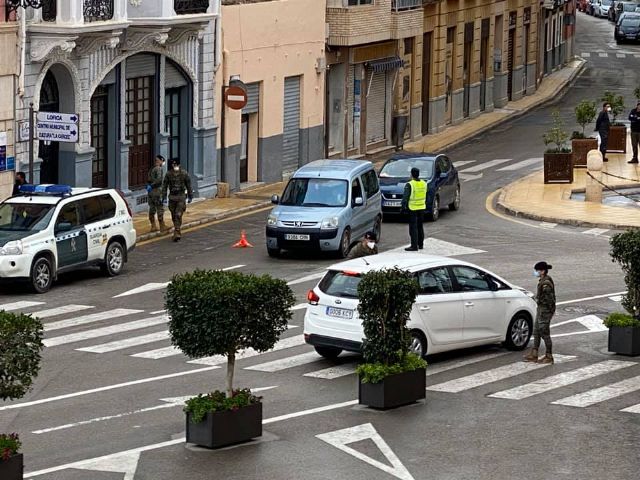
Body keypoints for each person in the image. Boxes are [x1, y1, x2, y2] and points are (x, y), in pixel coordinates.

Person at [524, 261, 556, 365]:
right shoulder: (543, 280)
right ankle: (534, 353)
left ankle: (549, 355)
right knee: (536, 331)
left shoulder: (546, 284)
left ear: (542, 271)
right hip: (541, 309)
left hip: (545, 311)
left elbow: (549, 300)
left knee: (544, 332)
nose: (535, 272)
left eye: (537, 270)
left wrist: (539, 301)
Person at [161, 160, 193, 242]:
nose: (175, 166)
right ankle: (177, 229)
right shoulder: (168, 174)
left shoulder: (184, 173)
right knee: (173, 215)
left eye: (176, 164)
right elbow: (164, 186)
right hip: (172, 197)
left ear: (179, 164)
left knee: (178, 214)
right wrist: (164, 197)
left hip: (181, 197)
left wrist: (190, 196)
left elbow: (189, 185)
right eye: (173, 164)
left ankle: (177, 232)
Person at [401, 167, 427, 251]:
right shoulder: (424, 183)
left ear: (411, 174)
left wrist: (403, 207)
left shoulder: (410, 184)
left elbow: (405, 197)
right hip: (422, 207)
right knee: (420, 226)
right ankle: (421, 244)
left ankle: (414, 246)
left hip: (413, 208)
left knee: (413, 228)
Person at [147, 155, 166, 232]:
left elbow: (149, 180)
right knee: (160, 208)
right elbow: (159, 180)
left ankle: (153, 226)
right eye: (162, 161)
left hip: (150, 192)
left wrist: (150, 186)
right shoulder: (158, 169)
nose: (163, 163)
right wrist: (152, 185)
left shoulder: (152, 169)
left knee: (152, 208)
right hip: (157, 191)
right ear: (160, 161)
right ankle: (162, 226)